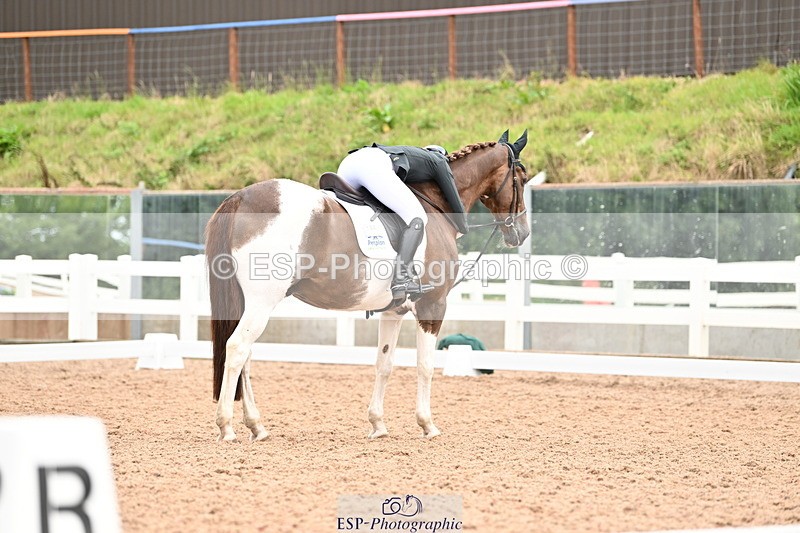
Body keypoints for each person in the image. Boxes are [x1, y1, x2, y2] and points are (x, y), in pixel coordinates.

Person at [336, 143, 469, 301]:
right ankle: (401, 279)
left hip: (347, 165)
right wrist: (463, 226)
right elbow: (454, 198)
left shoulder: (409, 156)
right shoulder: (439, 161)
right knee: (417, 217)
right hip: (371, 166)